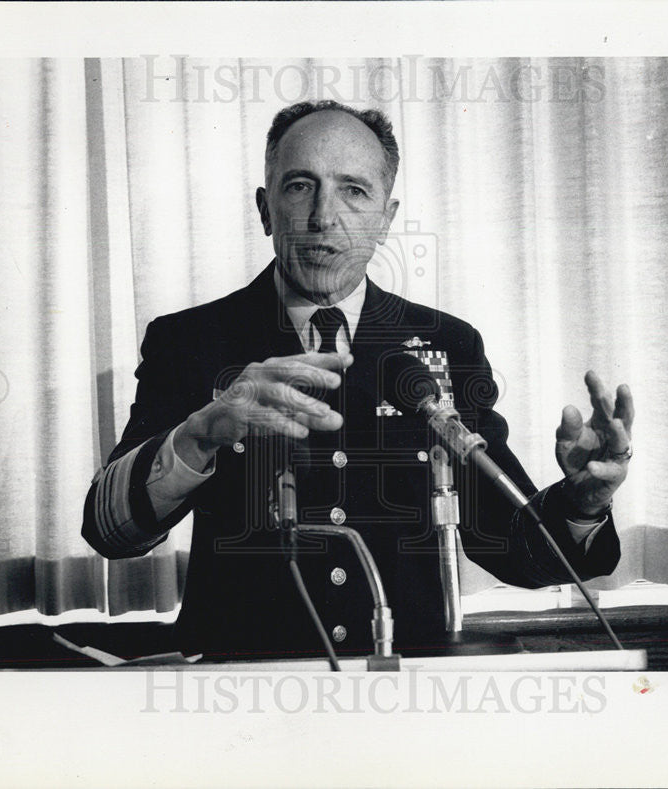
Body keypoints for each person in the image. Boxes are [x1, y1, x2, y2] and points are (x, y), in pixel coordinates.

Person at [82, 100, 634, 661]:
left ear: (386, 218)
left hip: (407, 693)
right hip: (244, 694)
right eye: (300, 186)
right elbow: (109, 530)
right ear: (265, 208)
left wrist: (582, 504)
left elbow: (510, 545)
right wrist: (201, 433)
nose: (324, 216)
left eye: (354, 190)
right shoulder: (190, 340)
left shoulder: (448, 343)